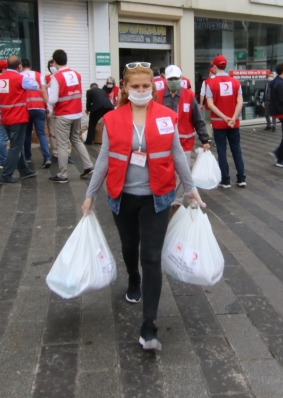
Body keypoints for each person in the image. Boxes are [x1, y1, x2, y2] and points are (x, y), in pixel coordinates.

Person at [82, 62, 205, 352]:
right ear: (124, 87)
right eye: (134, 87)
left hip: (158, 196)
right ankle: (132, 279)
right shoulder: (113, 119)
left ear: (153, 87)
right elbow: (102, 159)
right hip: (122, 196)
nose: (140, 91)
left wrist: (191, 189)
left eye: (145, 86)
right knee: (129, 246)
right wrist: (90, 195)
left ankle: (149, 325)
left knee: (151, 256)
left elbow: (177, 153)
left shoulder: (166, 116)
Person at [47, 49, 94, 183]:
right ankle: (88, 165)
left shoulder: (57, 77)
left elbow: (53, 99)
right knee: (76, 139)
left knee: (62, 144)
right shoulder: (77, 74)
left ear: (54, 62)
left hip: (63, 114)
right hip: (76, 113)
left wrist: (47, 98)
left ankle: (62, 174)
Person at [156, 65, 210, 170]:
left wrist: (205, 140)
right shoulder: (157, 96)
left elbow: (198, 120)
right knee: (165, 172)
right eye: (171, 79)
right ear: (165, 79)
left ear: (181, 78)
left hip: (184, 143)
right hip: (163, 143)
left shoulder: (189, 95)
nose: (173, 81)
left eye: (176, 79)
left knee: (183, 173)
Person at [0, 56, 39, 184]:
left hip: (5, 117)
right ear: (19, 66)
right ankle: (6, 175)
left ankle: (24, 170)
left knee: (16, 145)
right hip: (18, 117)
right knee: (15, 147)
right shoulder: (20, 78)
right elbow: (35, 85)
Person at [206, 55, 246, 188]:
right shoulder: (236, 82)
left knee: (221, 151)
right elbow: (240, 102)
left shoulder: (210, 83)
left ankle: (226, 180)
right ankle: (241, 178)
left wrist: (224, 118)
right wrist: (233, 118)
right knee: (236, 149)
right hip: (234, 123)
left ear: (215, 67)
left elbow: (210, 105)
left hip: (218, 123)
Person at [22, 59, 51, 169]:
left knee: (27, 133)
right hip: (40, 107)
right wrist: (47, 105)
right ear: (30, 65)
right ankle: (47, 158)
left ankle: (28, 157)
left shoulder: (20, 76)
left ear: (21, 66)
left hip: (27, 108)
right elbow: (44, 90)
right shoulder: (38, 75)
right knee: (41, 134)